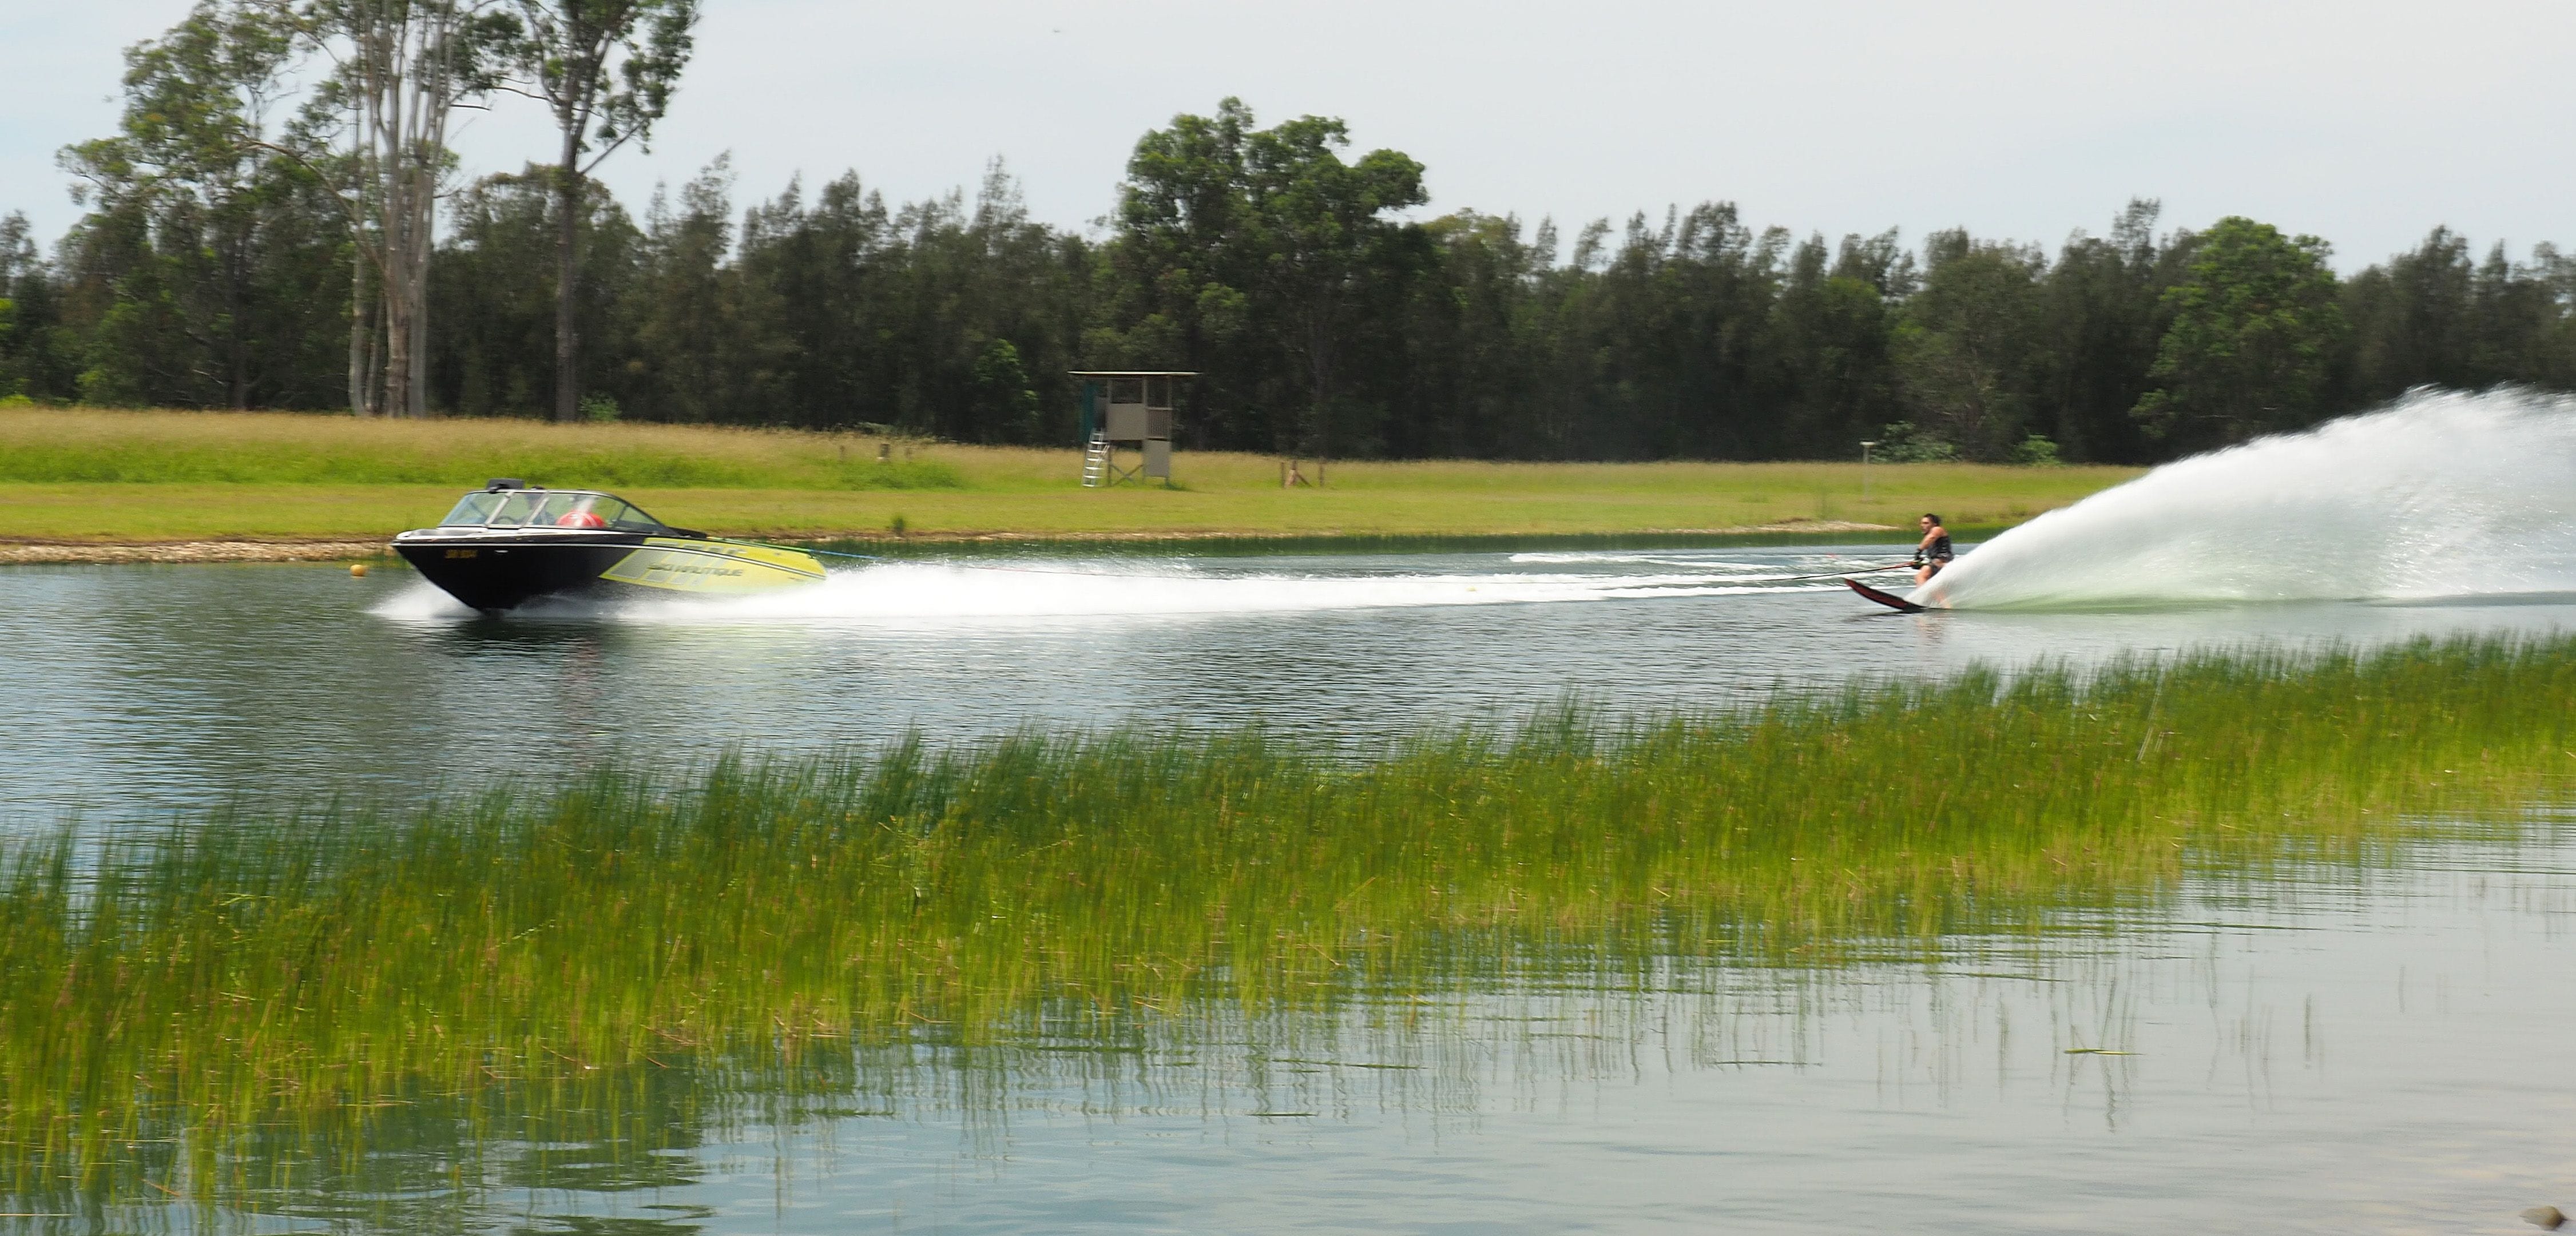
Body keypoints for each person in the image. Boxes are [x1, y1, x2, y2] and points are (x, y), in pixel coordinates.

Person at [1912, 512, 1953, 584]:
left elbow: (1931, 538)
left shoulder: (1938, 529)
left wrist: (1918, 552)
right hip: (1939, 563)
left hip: (1943, 562)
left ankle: (1923, 595)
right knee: (1936, 587)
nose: (1922, 526)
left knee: (1921, 576)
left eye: (1926, 523)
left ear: (1934, 524)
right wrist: (1920, 564)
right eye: (1922, 523)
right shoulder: (1931, 536)